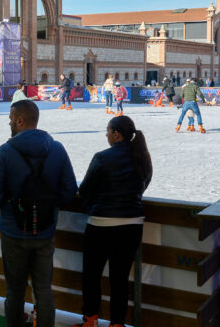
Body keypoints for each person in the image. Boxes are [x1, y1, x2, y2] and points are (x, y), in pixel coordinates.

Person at [0, 100, 78, 327]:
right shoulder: (56, 148)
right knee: (43, 289)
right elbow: (69, 191)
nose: (9, 122)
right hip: (44, 231)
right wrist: (50, 205)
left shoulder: (6, 151)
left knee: (14, 291)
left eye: (10, 118)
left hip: (13, 231)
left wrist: (10, 203)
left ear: (19, 120)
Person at [74, 116, 152, 327]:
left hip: (101, 224)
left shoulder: (102, 158)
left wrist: (95, 206)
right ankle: (117, 323)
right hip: (132, 225)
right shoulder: (142, 158)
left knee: (91, 275)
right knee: (119, 279)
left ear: (116, 134)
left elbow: (85, 190)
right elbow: (143, 185)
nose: (106, 135)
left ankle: (90, 319)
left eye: (107, 131)